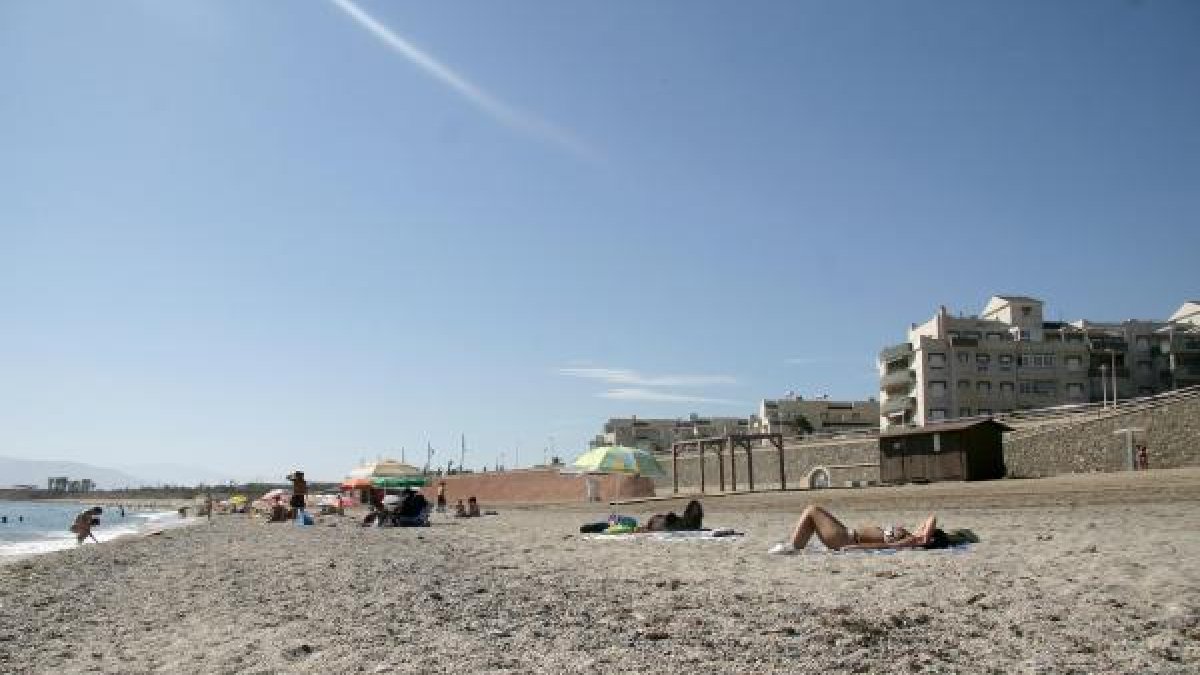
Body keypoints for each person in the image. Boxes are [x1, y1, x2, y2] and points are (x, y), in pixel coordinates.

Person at [768, 505, 957, 554]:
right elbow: (931, 519)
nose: (924, 528)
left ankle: (792, 546)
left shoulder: (910, 542)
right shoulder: (914, 536)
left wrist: (924, 540)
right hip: (846, 533)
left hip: (847, 539)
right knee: (813, 515)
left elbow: (882, 548)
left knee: (812, 510)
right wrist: (924, 535)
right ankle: (793, 546)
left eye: (929, 532)